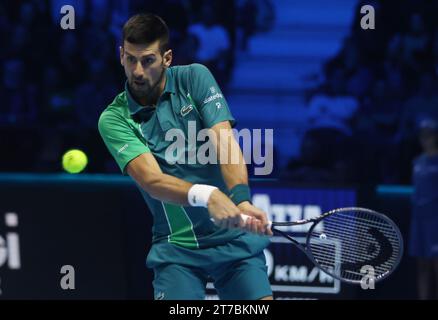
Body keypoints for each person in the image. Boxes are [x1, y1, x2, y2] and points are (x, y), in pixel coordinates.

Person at [98, 13, 273, 300]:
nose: (138, 71)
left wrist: (241, 198)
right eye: (131, 59)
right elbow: (152, 180)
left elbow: (224, 142)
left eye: (148, 60)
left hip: (234, 241)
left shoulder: (194, 78)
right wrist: (209, 195)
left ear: (167, 58)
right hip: (177, 248)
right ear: (121, 56)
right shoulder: (114, 118)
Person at [408, 115, 438, 300]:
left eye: (429, 134)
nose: (425, 139)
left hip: (436, 220)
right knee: (422, 266)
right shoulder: (417, 161)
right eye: (422, 135)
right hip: (419, 220)